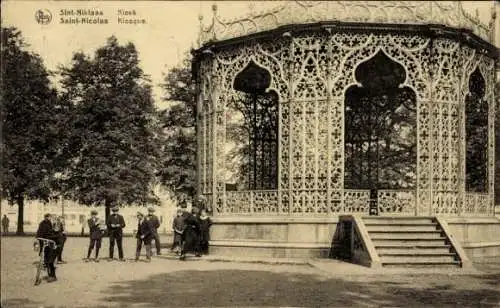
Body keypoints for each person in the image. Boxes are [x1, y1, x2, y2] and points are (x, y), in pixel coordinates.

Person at [36, 213, 59, 282]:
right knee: (46, 261)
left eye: (52, 218)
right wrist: (39, 239)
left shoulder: (55, 225)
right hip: (48, 244)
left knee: (50, 261)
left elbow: (57, 235)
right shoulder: (44, 224)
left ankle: (53, 276)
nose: (51, 219)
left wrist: (52, 239)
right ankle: (49, 275)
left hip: (55, 245)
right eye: (50, 218)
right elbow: (40, 233)